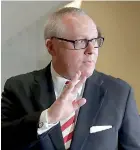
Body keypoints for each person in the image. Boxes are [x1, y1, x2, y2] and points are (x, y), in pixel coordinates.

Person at [1, 7, 140, 150]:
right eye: (80, 42)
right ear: (51, 47)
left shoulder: (120, 92)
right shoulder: (18, 88)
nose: (91, 50)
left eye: (95, 40)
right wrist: (48, 118)